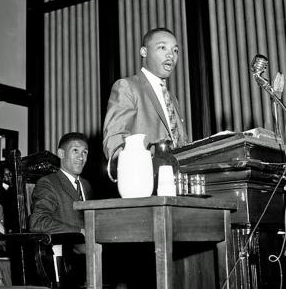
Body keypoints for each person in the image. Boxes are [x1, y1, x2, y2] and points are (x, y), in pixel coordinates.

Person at [103, 27, 188, 161]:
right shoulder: (127, 87)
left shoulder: (172, 98)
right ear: (144, 51)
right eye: (162, 48)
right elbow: (114, 142)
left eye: (175, 50)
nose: (171, 55)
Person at [29, 132, 92, 234]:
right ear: (61, 154)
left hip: (92, 245)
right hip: (66, 246)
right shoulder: (48, 183)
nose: (81, 157)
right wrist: (79, 232)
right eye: (75, 150)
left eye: (84, 152)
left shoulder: (86, 185)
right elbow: (38, 222)